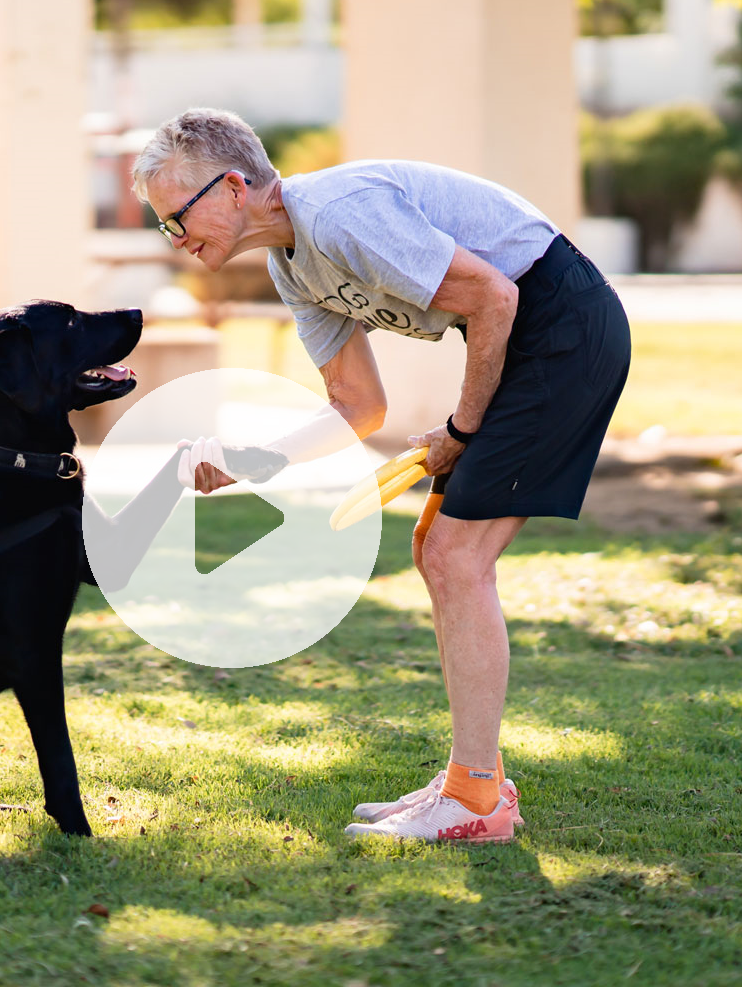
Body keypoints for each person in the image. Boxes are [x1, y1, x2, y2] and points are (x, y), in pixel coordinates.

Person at [132, 108, 631, 844]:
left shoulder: (335, 215)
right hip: (527, 334)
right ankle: (473, 776)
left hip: (562, 324)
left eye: (177, 216)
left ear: (234, 186)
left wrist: (462, 427)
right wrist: (247, 463)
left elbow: (496, 295)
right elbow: (357, 406)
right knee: (438, 551)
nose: (175, 238)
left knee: (457, 557)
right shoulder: (292, 265)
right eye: (163, 226)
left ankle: (475, 800)